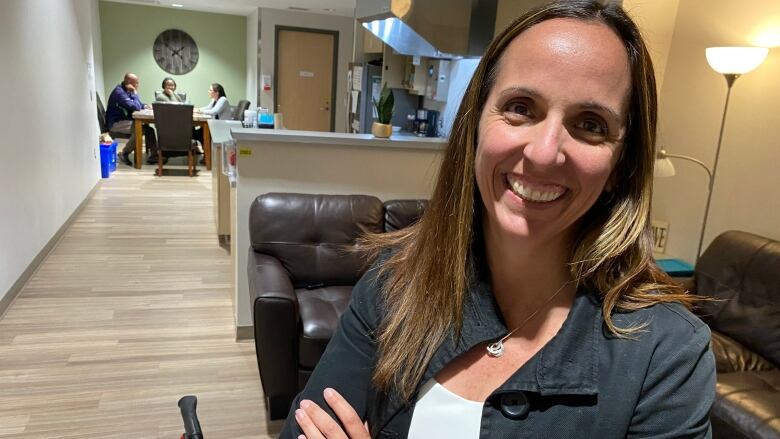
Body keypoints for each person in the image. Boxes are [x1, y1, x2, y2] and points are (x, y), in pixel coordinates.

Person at [281, 1, 716, 438]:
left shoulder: (668, 356)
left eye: (590, 123)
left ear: (620, 165)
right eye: (522, 107)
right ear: (475, 123)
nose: (544, 153)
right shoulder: (393, 284)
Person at [106, 73, 159, 166]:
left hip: (125, 120)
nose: (137, 85)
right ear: (129, 82)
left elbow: (138, 104)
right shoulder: (119, 92)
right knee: (140, 130)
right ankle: (124, 153)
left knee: (149, 130)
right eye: (136, 83)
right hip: (116, 123)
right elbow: (135, 106)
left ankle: (154, 156)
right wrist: (135, 93)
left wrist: (144, 105)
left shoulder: (126, 90)